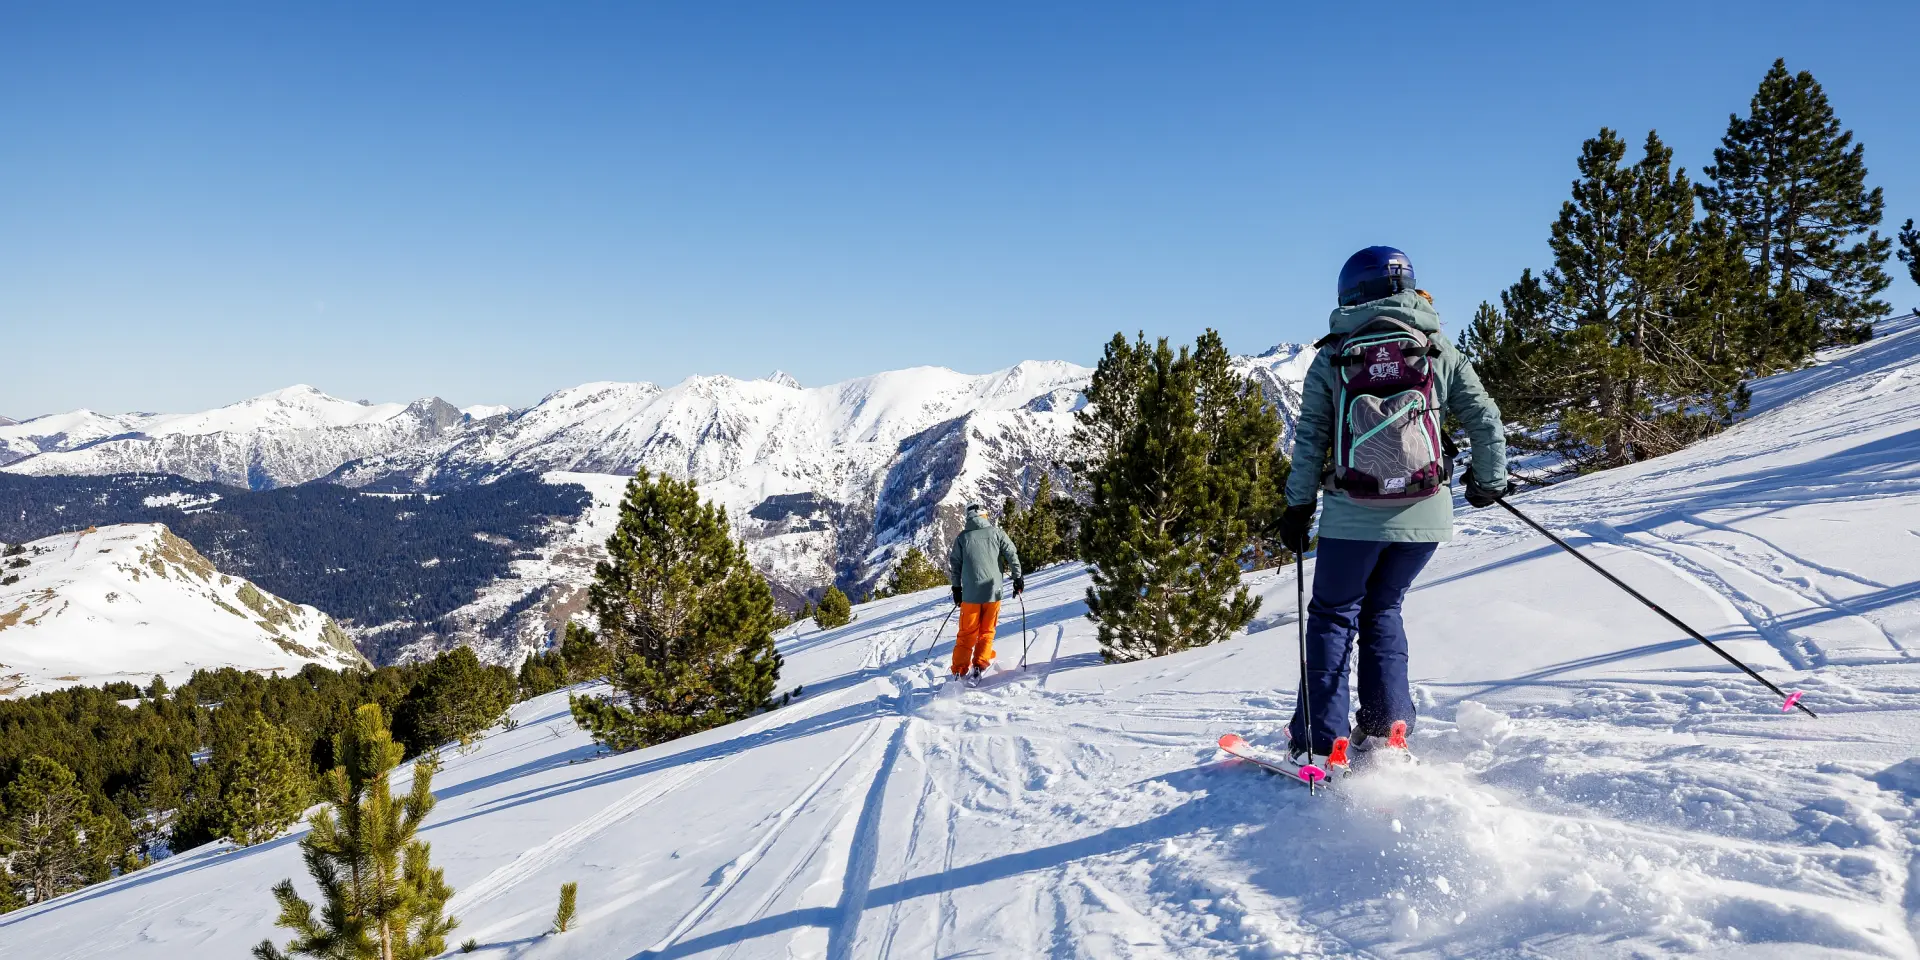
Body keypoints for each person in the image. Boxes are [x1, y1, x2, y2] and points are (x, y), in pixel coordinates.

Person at [1277, 246, 1510, 769]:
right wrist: (1488, 481)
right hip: (1425, 513)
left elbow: (1311, 438)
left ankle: (1317, 743)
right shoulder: (1434, 346)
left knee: (1334, 617)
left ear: (1351, 292)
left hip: (1351, 514)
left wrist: (1297, 508)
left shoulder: (1334, 356)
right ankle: (1386, 730)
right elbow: (1484, 416)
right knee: (1384, 608)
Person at [947, 503, 1024, 681]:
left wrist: (956, 588)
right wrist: (1017, 578)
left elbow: (955, 566)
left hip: (970, 595)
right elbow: (1012, 554)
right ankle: (980, 663)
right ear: (984, 516)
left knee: (967, 634)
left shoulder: (962, 538)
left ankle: (959, 669)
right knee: (987, 631)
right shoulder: (997, 533)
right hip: (993, 592)